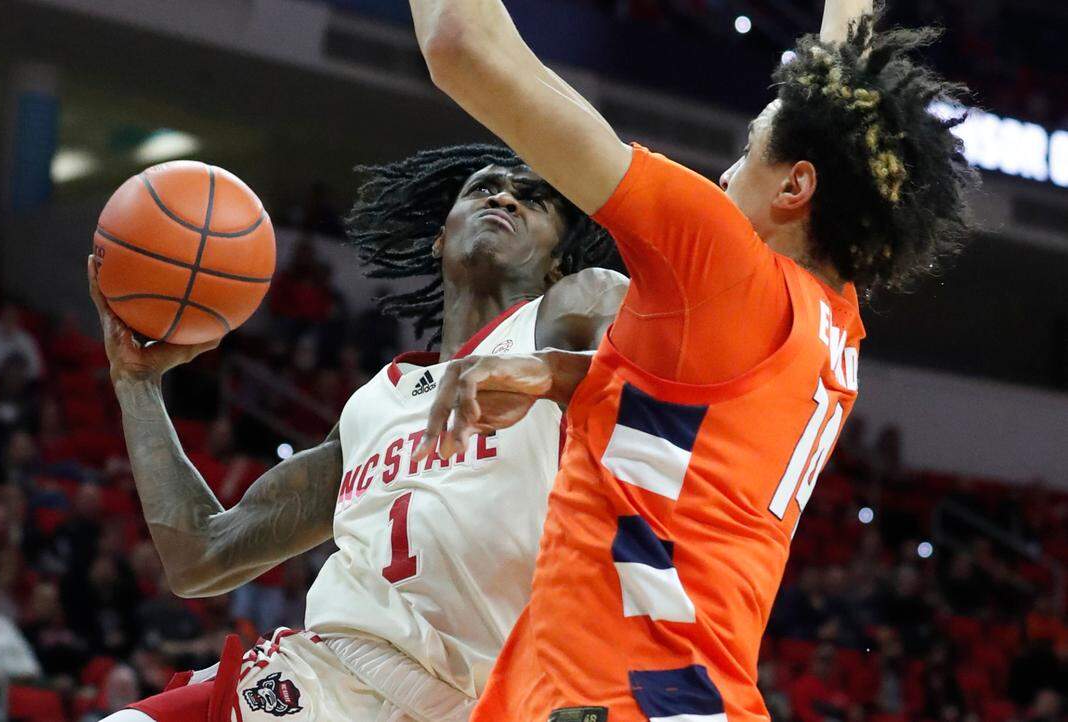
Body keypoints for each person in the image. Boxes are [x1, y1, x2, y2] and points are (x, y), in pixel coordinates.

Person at [409, 0, 977, 719]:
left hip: (618, 695)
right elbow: (685, 429)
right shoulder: (835, 323)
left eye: (744, 153)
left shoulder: (720, 262)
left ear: (796, 187)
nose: (723, 175)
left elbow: (461, 46)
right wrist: (557, 374)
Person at [90, 143, 626, 722]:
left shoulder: (572, 314)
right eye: (481, 188)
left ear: (558, 265)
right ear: (440, 239)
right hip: (328, 681)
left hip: (490, 704)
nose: (503, 197)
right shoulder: (371, 406)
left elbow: (664, 329)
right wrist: (137, 382)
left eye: (534, 200)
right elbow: (201, 556)